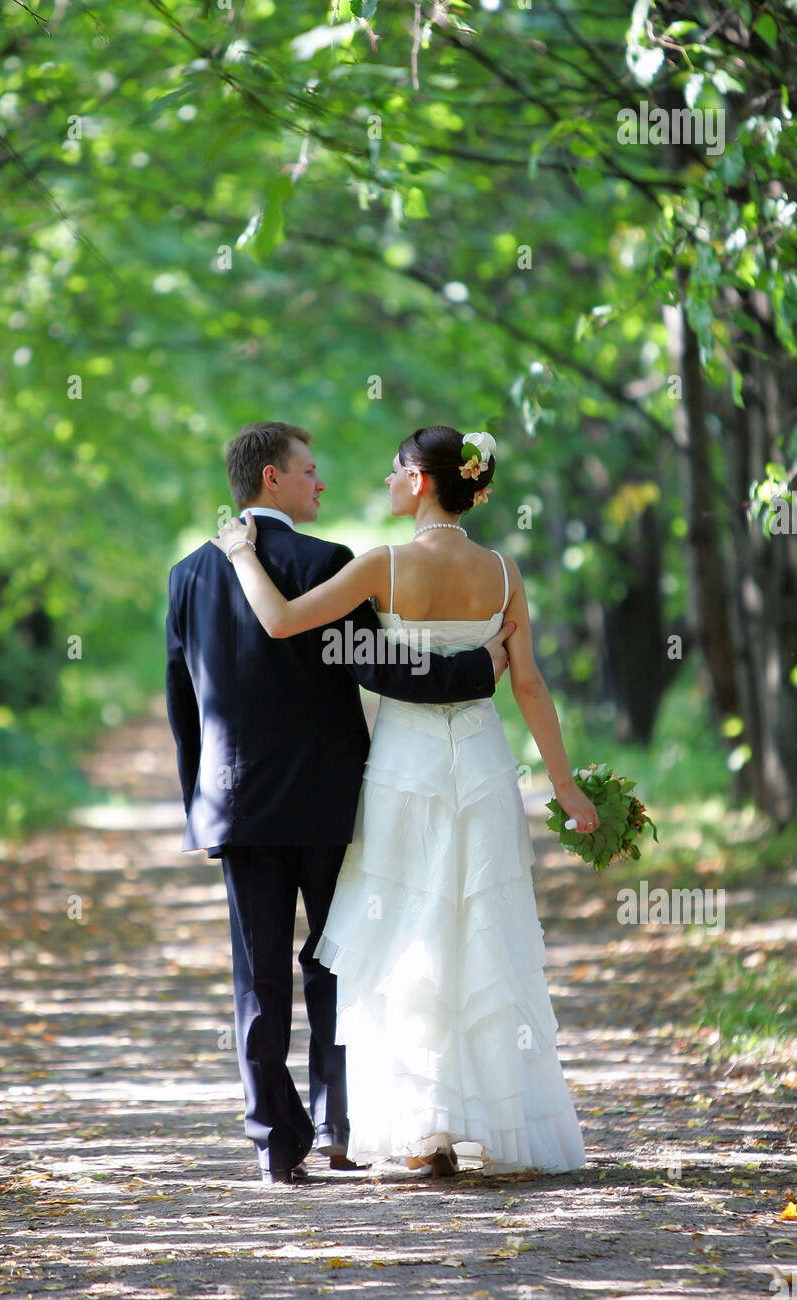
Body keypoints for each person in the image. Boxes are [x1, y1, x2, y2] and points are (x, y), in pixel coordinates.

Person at [215, 425, 599, 1178]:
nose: (384, 483)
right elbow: (526, 685)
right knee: (481, 930)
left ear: (421, 481)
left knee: (408, 935)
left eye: (394, 472)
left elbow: (281, 621)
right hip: (485, 765)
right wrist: (564, 783)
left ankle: (425, 1127)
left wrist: (238, 553)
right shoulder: (500, 569)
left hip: (404, 766)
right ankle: (495, 1121)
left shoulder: (380, 567)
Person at [165, 421, 515, 1185]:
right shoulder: (324, 561)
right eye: (310, 471)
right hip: (328, 803)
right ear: (271, 482)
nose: (321, 483)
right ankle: (340, 1130)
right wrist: (471, 674)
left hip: (239, 809)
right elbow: (378, 668)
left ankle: (272, 1144)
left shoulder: (187, 575)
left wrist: (200, 802)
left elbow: (183, 705)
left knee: (257, 981)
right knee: (337, 965)